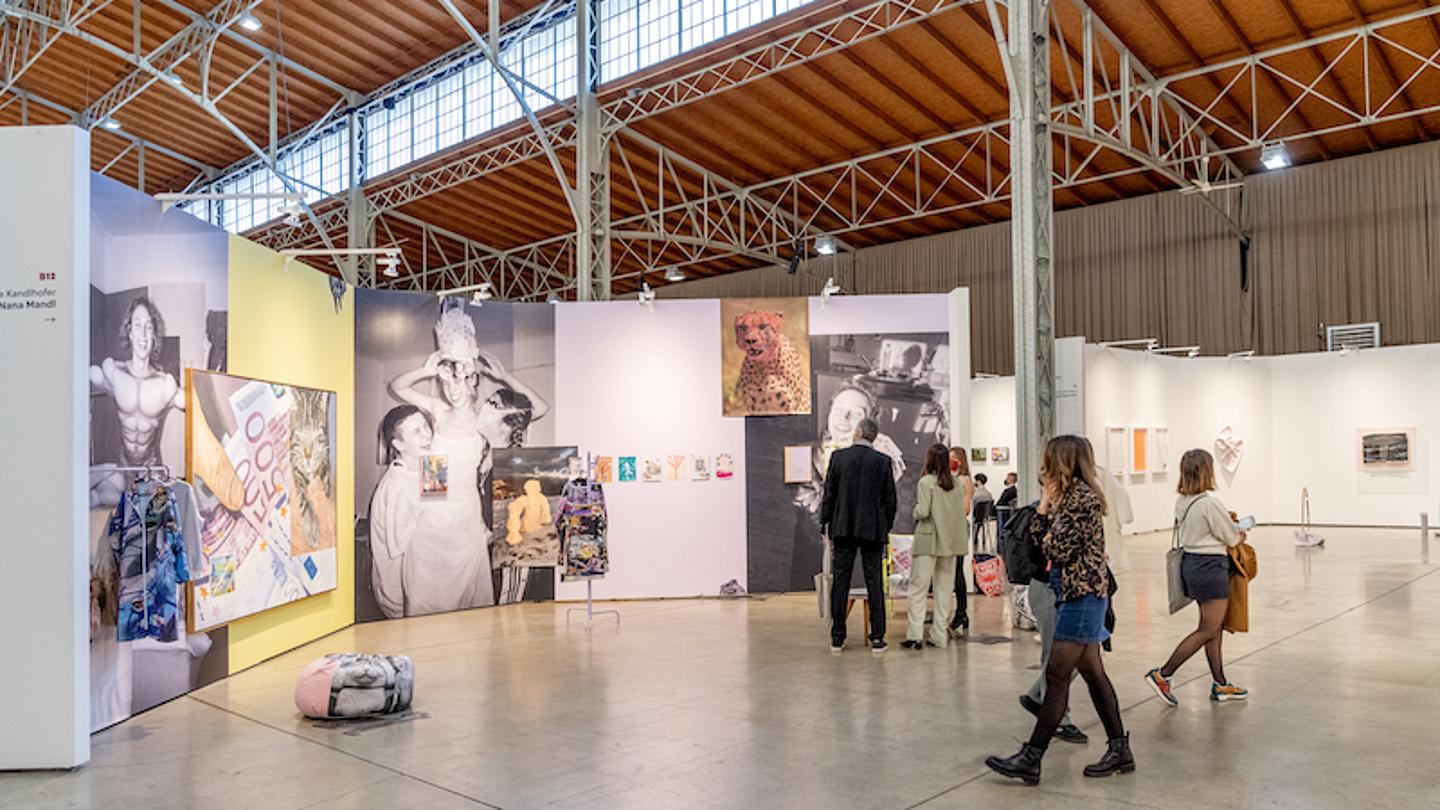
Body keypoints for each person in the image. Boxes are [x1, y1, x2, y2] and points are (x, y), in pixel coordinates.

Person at [986, 436, 1132, 785]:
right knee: (1094, 675)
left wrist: (1045, 514)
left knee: (1056, 675)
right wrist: (1045, 511)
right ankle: (1119, 749)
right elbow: (1043, 543)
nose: (1043, 467)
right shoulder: (1070, 498)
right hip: (1076, 594)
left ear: (1062, 462)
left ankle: (1032, 757)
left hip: (1082, 596)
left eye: (1048, 460)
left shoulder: (1081, 499)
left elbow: (1059, 549)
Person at [1145, 449, 1249, 705]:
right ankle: (1163, 674)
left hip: (1192, 564)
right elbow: (1231, 537)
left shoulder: (1182, 501)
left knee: (1214, 629)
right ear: (1206, 471)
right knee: (1208, 629)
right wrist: (1240, 532)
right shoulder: (1209, 503)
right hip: (1211, 567)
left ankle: (1221, 683)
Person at [90, 297, 186, 506]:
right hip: (122, 471)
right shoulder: (114, 373)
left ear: (153, 337)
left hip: (151, 475)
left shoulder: (165, 384)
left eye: (148, 327)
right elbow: (93, 377)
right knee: (95, 498)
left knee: (158, 513)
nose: (143, 333)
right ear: (130, 332)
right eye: (137, 325)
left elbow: (190, 402)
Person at [821, 418, 897, 655]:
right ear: (873, 437)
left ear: (857, 432)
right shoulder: (883, 462)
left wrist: (826, 526)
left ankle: (837, 638)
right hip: (872, 531)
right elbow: (890, 501)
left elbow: (829, 495)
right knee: (874, 582)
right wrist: (884, 525)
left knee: (841, 581)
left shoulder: (838, 458)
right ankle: (877, 638)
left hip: (843, 528)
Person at [368, 405, 434, 618]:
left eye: (426, 426)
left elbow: (440, 516)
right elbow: (404, 549)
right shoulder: (398, 484)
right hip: (403, 597)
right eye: (417, 431)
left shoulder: (432, 465)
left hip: (429, 583)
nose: (427, 435)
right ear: (399, 444)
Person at [904, 444, 967, 650]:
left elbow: (922, 512)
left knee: (918, 589)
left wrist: (914, 510)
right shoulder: (957, 484)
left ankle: (915, 635)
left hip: (928, 540)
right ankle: (939, 635)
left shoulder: (926, 482)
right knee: (944, 590)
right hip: (950, 543)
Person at [946, 447, 975, 636]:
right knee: (952, 570)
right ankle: (960, 613)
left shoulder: (963, 480)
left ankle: (961, 612)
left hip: (957, 527)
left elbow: (965, 509)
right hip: (949, 526)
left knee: (957, 570)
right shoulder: (949, 479)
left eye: (954, 458)